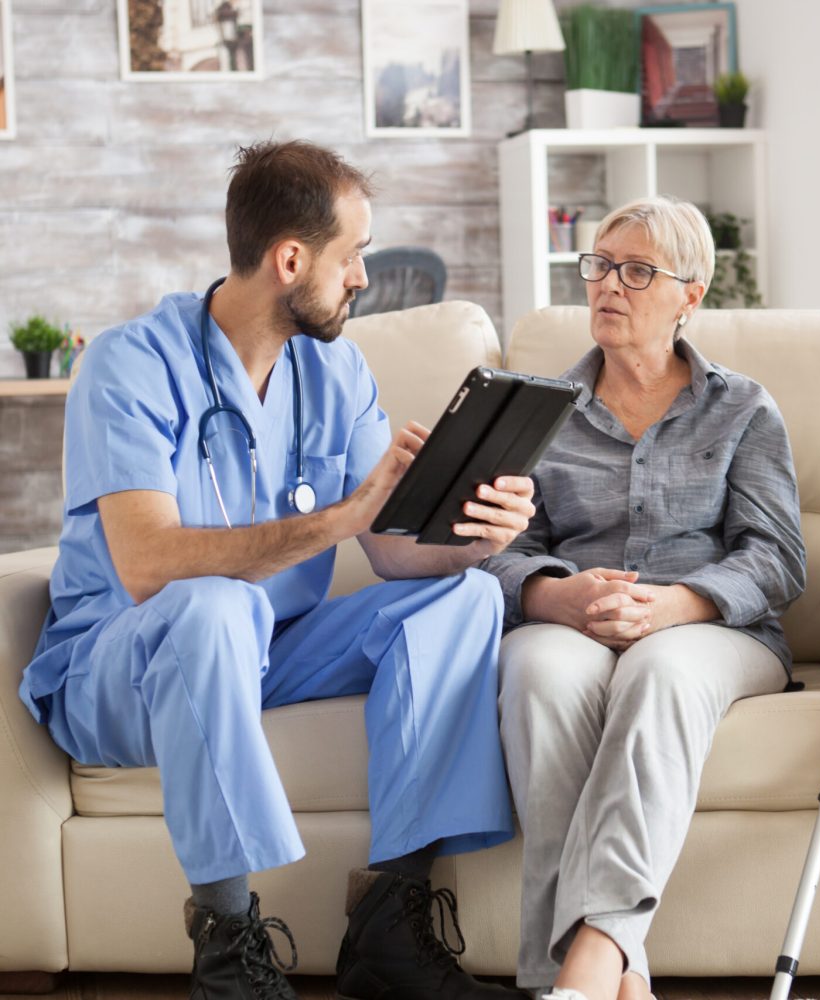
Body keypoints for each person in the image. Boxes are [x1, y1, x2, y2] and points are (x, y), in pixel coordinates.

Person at [19, 140, 536, 1000]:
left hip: (269, 648)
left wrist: (481, 534)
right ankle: (228, 943)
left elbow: (392, 549)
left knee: (461, 598)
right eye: (353, 255)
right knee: (211, 607)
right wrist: (339, 516)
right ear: (290, 259)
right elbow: (148, 566)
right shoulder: (129, 363)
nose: (363, 276)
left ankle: (390, 925)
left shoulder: (333, 366)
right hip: (119, 666)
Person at [483, 196, 807, 1000]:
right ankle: (614, 976)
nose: (608, 287)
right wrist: (555, 597)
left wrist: (675, 606)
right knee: (536, 676)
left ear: (689, 295)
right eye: (598, 266)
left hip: (707, 629)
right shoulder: (537, 411)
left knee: (657, 673)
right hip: (574, 620)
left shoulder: (742, 407)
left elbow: (777, 558)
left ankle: (586, 962)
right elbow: (498, 552)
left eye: (636, 272)